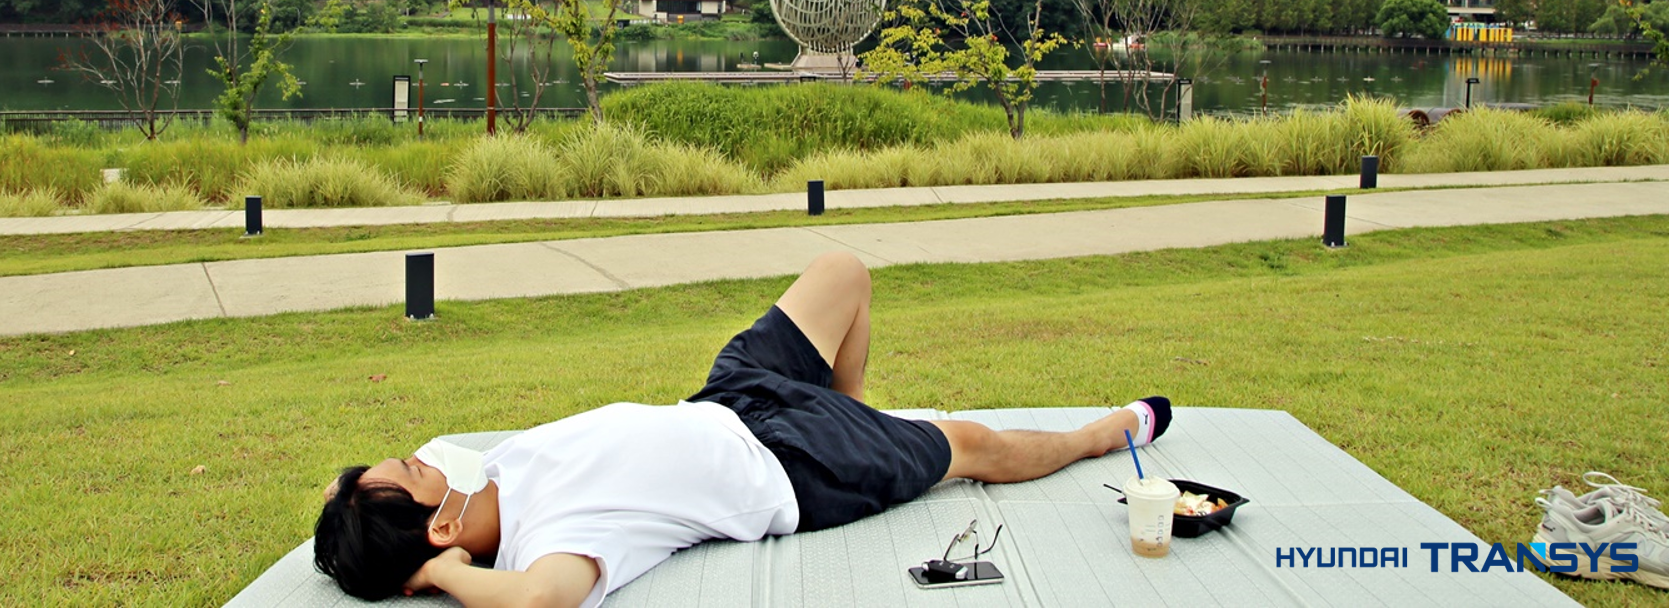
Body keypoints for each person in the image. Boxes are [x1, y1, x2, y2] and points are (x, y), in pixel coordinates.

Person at [315, 251, 1172, 606]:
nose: (417, 455)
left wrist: (351, 505)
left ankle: (862, 412)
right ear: (439, 529)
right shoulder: (552, 541)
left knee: (844, 273)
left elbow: (365, 493)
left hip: (730, 396)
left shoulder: (489, 471)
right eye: (408, 468)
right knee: (969, 446)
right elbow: (540, 600)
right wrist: (441, 575)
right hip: (796, 464)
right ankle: (1107, 432)